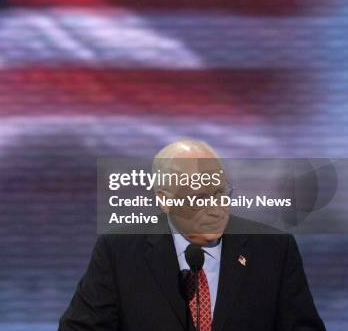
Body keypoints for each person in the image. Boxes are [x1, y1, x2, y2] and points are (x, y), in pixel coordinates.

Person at [59, 139, 325, 331]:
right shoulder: (119, 252)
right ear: (165, 200)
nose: (216, 209)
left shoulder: (274, 249)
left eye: (221, 194)